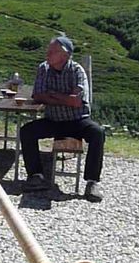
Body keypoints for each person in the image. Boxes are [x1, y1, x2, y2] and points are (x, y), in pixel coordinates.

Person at [19, 36, 105, 202]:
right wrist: (64, 97)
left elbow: (76, 101)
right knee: (27, 131)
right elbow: (37, 95)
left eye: (52, 51)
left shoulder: (77, 71)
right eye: (48, 50)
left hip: (77, 121)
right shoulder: (43, 68)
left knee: (97, 133)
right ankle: (36, 176)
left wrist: (51, 95)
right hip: (53, 120)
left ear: (65, 55)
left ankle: (92, 182)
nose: (48, 54)